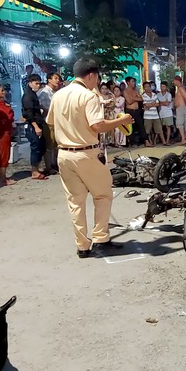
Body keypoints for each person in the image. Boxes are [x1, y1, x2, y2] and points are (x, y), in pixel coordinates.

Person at [46, 58, 134, 258]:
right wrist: (122, 120)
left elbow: (50, 122)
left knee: (75, 201)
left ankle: (82, 246)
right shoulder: (87, 96)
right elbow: (97, 126)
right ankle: (101, 238)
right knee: (102, 195)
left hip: (64, 154)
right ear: (91, 75)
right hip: (86, 152)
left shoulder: (58, 94)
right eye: (97, 78)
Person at [22, 73, 48, 180]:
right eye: (36, 83)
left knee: (40, 147)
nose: (38, 85)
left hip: (38, 122)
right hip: (33, 125)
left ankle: (36, 168)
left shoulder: (32, 94)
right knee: (36, 147)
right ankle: (34, 171)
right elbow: (29, 113)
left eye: (39, 83)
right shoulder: (28, 96)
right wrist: (36, 127)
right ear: (30, 83)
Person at [39, 72, 62, 175]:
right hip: (48, 121)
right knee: (49, 145)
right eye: (55, 78)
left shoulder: (55, 92)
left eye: (58, 79)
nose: (57, 80)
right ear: (49, 79)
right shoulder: (44, 92)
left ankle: (56, 164)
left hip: (57, 121)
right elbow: (45, 108)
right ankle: (48, 166)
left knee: (57, 144)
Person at [123, 77, 145, 146]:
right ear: (128, 83)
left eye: (134, 82)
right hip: (129, 110)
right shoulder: (125, 91)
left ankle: (145, 141)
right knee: (131, 127)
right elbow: (129, 102)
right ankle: (132, 142)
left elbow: (141, 99)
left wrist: (133, 98)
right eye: (132, 82)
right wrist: (136, 98)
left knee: (141, 125)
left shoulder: (136, 90)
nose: (134, 83)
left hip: (137, 111)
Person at [173, 76, 186, 145]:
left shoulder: (180, 88)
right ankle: (184, 138)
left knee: (179, 124)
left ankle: (183, 139)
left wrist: (183, 104)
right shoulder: (178, 88)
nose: (173, 82)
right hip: (180, 107)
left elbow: (185, 97)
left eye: (174, 81)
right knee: (182, 123)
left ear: (177, 81)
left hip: (181, 107)